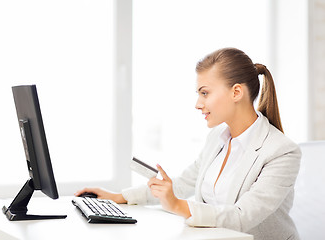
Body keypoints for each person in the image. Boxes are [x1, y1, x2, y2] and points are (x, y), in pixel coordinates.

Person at [76, 48, 301, 240]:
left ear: (236, 92)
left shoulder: (282, 151)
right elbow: (183, 184)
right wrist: (120, 197)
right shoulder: (218, 138)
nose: (197, 103)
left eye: (205, 93)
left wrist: (176, 205)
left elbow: (241, 217)